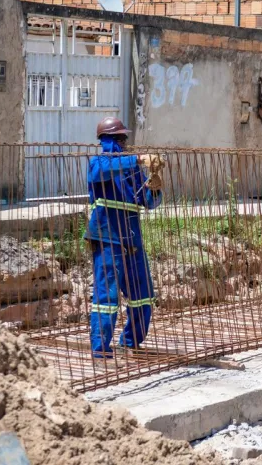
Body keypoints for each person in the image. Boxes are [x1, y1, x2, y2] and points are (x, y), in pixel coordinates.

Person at [85, 116, 163, 359]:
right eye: (121, 139)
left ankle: (130, 341)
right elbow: (101, 172)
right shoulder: (99, 162)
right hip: (108, 236)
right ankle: (100, 350)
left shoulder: (131, 170)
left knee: (143, 295)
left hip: (132, 239)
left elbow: (149, 203)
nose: (125, 143)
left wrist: (156, 185)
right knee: (106, 296)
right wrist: (138, 159)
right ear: (110, 140)